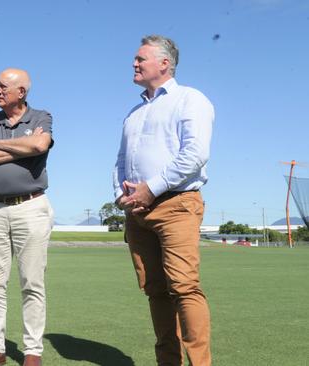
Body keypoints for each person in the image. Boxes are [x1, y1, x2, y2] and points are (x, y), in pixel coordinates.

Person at [112, 35, 214, 366]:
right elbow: (121, 161)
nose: (134, 63)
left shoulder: (190, 99)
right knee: (155, 290)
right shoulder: (134, 112)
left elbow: (194, 155)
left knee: (184, 287)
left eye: (141, 58)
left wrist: (150, 188)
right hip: (137, 213)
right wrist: (121, 195)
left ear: (164, 63)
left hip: (177, 205)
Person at [0, 68, 54, 366]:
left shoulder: (41, 117)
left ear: (22, 92)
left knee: (32, 283)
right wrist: (21, 148)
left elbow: (40, 146)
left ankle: (32, 352)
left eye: (2, 86)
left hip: (30, 207)